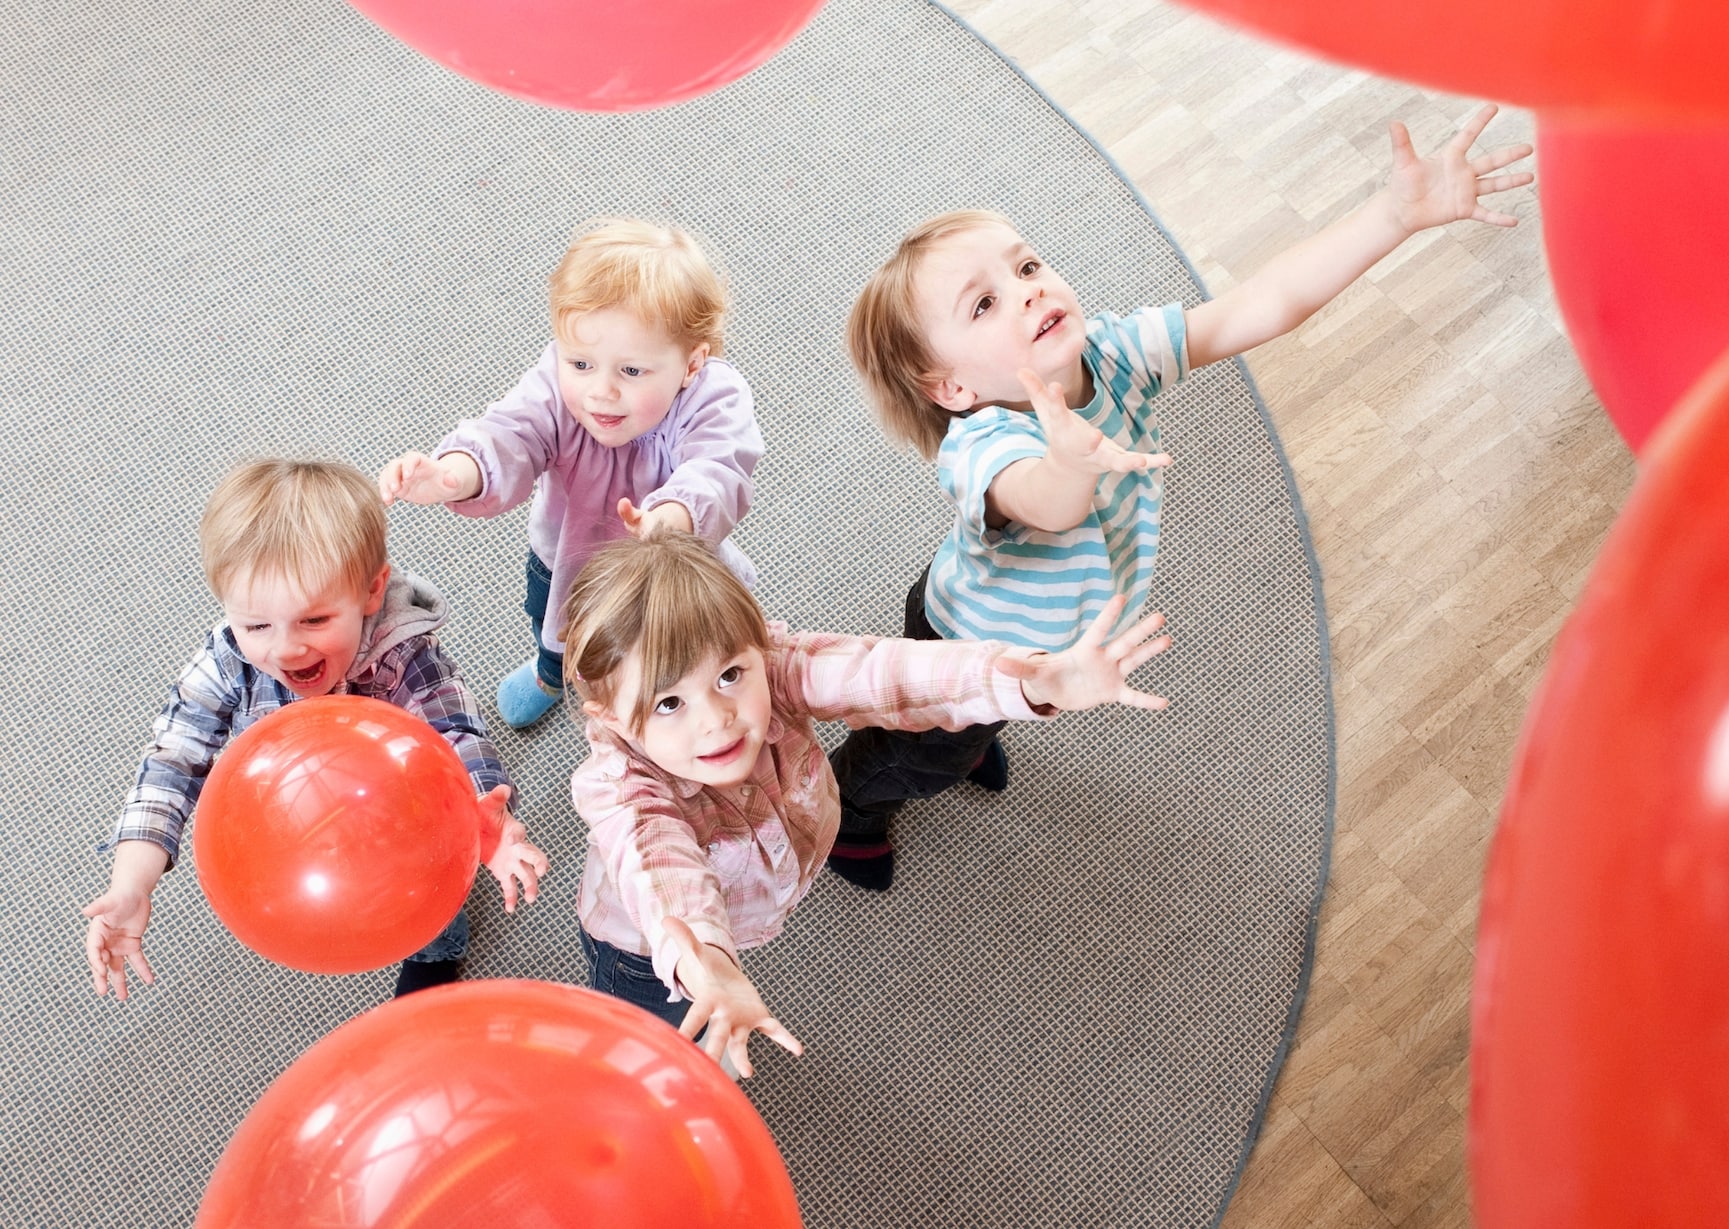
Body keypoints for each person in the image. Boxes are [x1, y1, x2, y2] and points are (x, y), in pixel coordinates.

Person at [833, 104, 1534, 886]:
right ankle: (848, 808)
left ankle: (973, 735)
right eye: (985, 303)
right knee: (920, 751)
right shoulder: (983, 443)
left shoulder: (1114, 354)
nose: (1028, 291)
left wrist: (1393, 216)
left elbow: (1259, 306)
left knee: (975, 728)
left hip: (1040, 647)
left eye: (1026, 267)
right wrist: (1072, 460)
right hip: (965, 643)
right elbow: (1047, 501)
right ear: (953, 387)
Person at [562, 530, 1173, 1076]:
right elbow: (661, 871)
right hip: (650, 956)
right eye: (669, 704)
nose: (718, 720)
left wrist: (1023, 682)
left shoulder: (775, 670)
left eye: (729, 676)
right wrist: (706, 960)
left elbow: (885, 673)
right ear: (611, 716)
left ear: (755, 647)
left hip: (761, 882)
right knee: (673, 1050)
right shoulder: (621, 789)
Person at [83, 459, 549, 1001]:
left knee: (422, 892)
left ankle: (438, 948)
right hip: (291, 815)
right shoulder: (228, 660)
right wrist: (131, 885)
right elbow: (171, 764)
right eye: (257, 624)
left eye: (315, 620)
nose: (286, 648)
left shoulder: (403, 654)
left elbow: (456, 732)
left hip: (399, 812)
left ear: (373, 592)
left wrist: (485, 822)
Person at [380, 217, 764, 729]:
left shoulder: (715, 396)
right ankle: (549, 675)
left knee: (677, 651)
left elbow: (720, 466)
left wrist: (671, 517)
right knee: (553, 625)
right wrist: (456, 472)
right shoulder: (557, 387)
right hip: (566, 558)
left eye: (631, 371)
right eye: (580, 363)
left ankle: (667, 710)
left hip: (670, 568)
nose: (600, 391)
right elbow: (513, 432)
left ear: (692, 364)